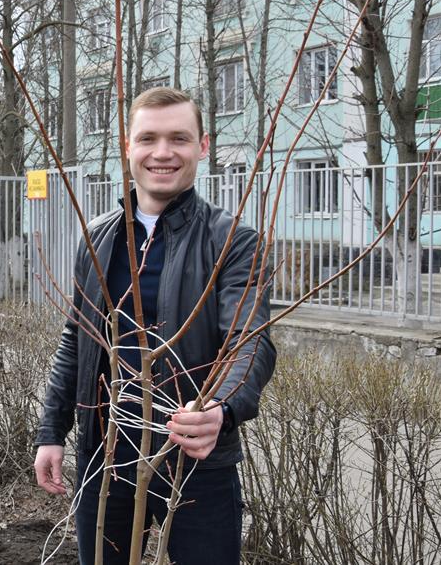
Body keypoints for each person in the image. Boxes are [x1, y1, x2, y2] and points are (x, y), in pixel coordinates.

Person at [33, 88, 276, 564]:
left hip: (196, 460)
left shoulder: (233, 241)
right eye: (148, 138)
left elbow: (249, 342)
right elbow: (76, 340)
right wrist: (51, 432)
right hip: (104, 458)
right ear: (128, 146)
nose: (162, 152)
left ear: (202, 146)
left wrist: (221, 409)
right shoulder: (98, 236)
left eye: (178, 139)